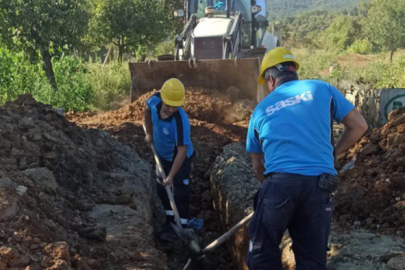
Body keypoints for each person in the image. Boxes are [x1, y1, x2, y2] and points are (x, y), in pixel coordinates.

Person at [246, 47, 368, 270]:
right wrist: (333, 153)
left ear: (271, 79)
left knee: (262, 255)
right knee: (312, 260)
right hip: (320, 186)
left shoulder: (260, 110)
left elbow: (257, 167)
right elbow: (360, 126)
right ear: (294, 72)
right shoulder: (321, 88)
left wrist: (276, 191)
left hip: (279, 184)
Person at [144, 78, 194, 242]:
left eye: (176, 105)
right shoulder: (155, 101)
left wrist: (172, 175)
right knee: (161, 188)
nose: (172, 109)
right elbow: (146, 110)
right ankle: (169, 221)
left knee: (179, 190)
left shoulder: (180, 121)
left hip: (179, 158)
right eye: (169, 105)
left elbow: (182, 152)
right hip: (162, 155)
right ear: (162, 98)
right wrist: (149, 133)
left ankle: (182, 226)